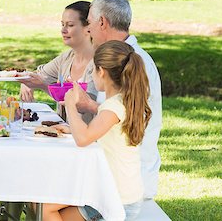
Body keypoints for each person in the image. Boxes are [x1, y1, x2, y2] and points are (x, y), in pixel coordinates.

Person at [43, 40, 151, 220]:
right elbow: (99, 131)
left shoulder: (113, 107)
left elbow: (83, 139)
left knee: (45, 208)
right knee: (48, 205)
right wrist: (72, 128)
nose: (92, 75)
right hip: (121, 192)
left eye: (93, 70)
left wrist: (70, 104)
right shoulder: (122, 101)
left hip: (116, 197)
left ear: (101, 72)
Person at [72, 0, 162, 199]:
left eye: (89, 23)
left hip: (126, 181)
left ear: (102, 22)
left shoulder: (134, 62)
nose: (87, 30)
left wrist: (84, 106)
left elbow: (129, 114)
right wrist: (89, 105)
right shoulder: (121, 58)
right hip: (111, 171)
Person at [19, 1, 95, 121]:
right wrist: (27, 82)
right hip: (64, 134)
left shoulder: (100, 64)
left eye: (70, 25)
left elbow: (83, 106)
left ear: (88, 28)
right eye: (62, 24)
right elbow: (38, 76)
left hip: (90, 136)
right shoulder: (66, 59)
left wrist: (42, 85)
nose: (63, 30)